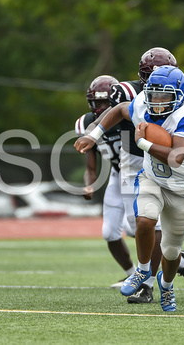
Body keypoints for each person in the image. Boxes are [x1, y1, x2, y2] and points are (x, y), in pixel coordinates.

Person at [74, 65, 184, 312]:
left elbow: (176, 157)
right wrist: (95, 134)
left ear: (179, 95)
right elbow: (120, 109)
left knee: (171, 251)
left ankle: (167, 286)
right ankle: (142, 273)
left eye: (164, 95)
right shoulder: (144, 103)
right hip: (151, 179)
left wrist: (142, 142)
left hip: (179, 189)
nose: (157, 100)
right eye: (153, 93)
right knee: (144, 222)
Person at [101, 47, 184, 303]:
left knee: (157, 230)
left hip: (171, 172)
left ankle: (150, 283)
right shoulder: (134, 94)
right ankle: (156, 270)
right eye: (150, 77)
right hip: (132, 163)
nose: (156, 89)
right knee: (136, 225)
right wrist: (92, 133)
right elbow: (114, 112)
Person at [75, 75, 139, 289]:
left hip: (138, 175)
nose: (101, 107)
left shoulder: (128, 116)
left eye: (106, 101)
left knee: (135, 228)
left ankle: (148, 271)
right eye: (97, 102)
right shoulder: (85, 124)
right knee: (110, 233)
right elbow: (90, 168)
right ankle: (131, 273)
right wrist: (89, 185)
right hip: (116, 175)